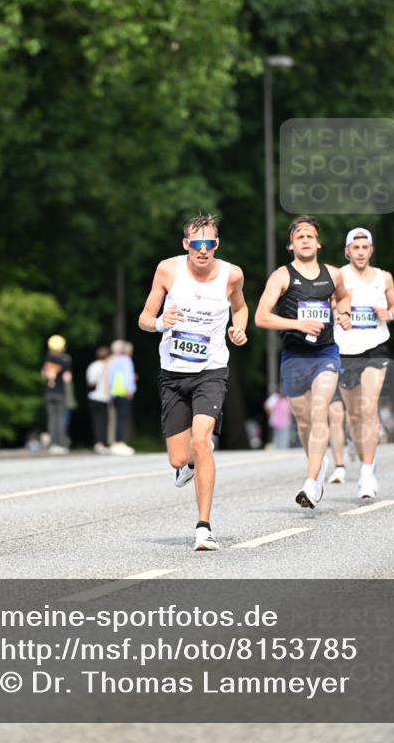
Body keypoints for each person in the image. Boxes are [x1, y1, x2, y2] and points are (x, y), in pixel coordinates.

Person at [138, 213, 248, 551]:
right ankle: (186, 465)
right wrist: (160, 323)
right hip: (173, 373)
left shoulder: (232, 275)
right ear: (186, 244)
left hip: (211, 371)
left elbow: (240, 308)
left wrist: (240, 327)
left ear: (217, 244)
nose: (203, 250)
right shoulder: (168, 270)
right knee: (179, 458)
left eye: (209, 244)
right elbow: (144, 318)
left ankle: (204, 527)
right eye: (196, 244)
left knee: (202, 442)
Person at [254, 216, 351, 509]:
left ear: (318, 242)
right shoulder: (281, 276)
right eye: (300, 236)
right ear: (291, 244)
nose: (306, 240)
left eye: (310, 235)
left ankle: (311, 483)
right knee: (305, 420)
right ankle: (317, 464)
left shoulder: (333, 275)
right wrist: (298, 324)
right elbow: (261, 317)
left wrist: (344, 314)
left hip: (325, 355)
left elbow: (344, 298)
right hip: (294, 356)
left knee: (320, 409)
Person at [334, 227, 394, 498]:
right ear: (347, 251)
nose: (360, 252)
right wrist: (340, 314)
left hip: (375, 349)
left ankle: (366, 472)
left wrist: (390, 314)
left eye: (365, 248)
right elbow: (328, 304)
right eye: (355, 247)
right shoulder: (339, 276)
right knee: (354, 415)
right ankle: (358, 447)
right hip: (346, 351)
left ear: (371, 250)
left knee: (368, 407)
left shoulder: (384, 278)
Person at [41, 335, 72, 453]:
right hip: (60, 392)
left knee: (51, 418)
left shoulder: (47, 358)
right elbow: (67, 378)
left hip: (49, 392)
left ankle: (53, 444)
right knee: (60, 418)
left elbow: (43, 374)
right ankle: (60, 444)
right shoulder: (66, 360)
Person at [107, 339, 136, 456]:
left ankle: (117, 442)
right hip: (123, 392)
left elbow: (110, 378)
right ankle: (120, 442)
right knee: (122, 418)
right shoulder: (126, 360)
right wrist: (130, 389)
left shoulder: (114, 360)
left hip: (115, 392)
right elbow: (128, 376)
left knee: (118, 417)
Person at [86, 346, 110, 453]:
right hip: (104, 397)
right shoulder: (109, 366)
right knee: (104, 421)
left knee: (96, 421)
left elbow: (90, 381)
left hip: (93, 396)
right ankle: (102, 443)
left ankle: (97, 443)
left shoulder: (93, 366)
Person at [327, 387, 347, 484]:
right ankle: (339, 466)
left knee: (355, 413)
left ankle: (353, 439)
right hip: (330, 373)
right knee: (335, 414)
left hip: (350, 373)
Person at [264, 386, 292, 450]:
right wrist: (270, 413)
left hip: (285, 421)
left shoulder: (288, 398)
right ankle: (278, 448)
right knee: (277, 436)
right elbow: (266, 405)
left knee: (285, 436)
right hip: (276, 421)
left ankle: (283, 449)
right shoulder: (275, 398)